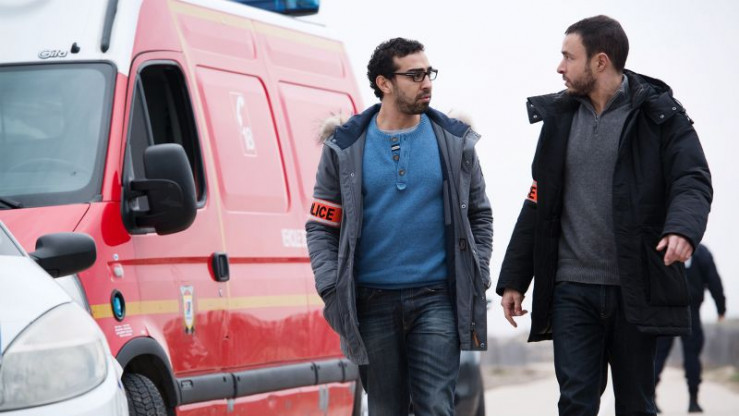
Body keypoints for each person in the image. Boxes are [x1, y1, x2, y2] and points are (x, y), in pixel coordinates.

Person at [495, 15, 713, 416]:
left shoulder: (660, 116)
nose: (559, 67)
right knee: (575, 403)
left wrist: (682, 229)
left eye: (568, 57)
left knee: (636, 404)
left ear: (600, 61)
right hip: (571, 290)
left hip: (636, 287)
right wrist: (514, 279)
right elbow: (538, 200)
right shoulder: (559, 119)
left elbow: (692, 179)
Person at [306, 37, 493, 415]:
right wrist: (330, 286)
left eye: (429, 73)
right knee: (385, 409)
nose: (427, 83)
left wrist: (479, 272)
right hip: (371, 302)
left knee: (435, 406)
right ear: (384, 83)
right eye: (414, 75)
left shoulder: (455, 142)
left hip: (437, 299)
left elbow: (480, 215)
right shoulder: (344, 147)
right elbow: (322, 226)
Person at [654, 243, 726, 413]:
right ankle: (693, 400)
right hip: (689, 310)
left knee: (658, 355)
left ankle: (649, 396)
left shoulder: (663, 247)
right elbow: (714, 280)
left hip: (666, 311)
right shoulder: (701, 251)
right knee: (692, 355)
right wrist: (721, 308)